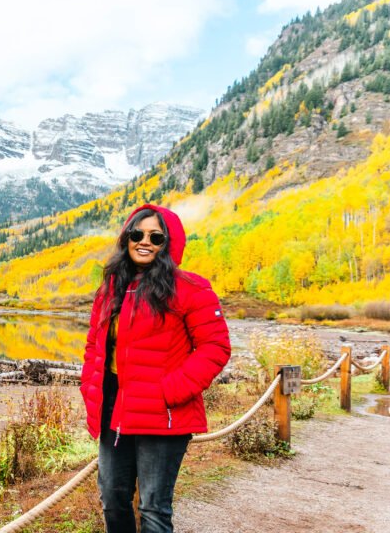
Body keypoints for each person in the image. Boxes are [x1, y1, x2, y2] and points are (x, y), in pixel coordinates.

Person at [80, 204, 231, 533]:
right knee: (112, 498)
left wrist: (169, 391)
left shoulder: (192, 288)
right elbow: (94, 345)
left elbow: (215, 347)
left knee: (153, 509)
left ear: (169, 243)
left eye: (155, 236)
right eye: (137, 234)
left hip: (163, 417)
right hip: (114, 413)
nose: (144, 241)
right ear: (126, 238)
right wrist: (89, 386)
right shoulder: (110, 288)